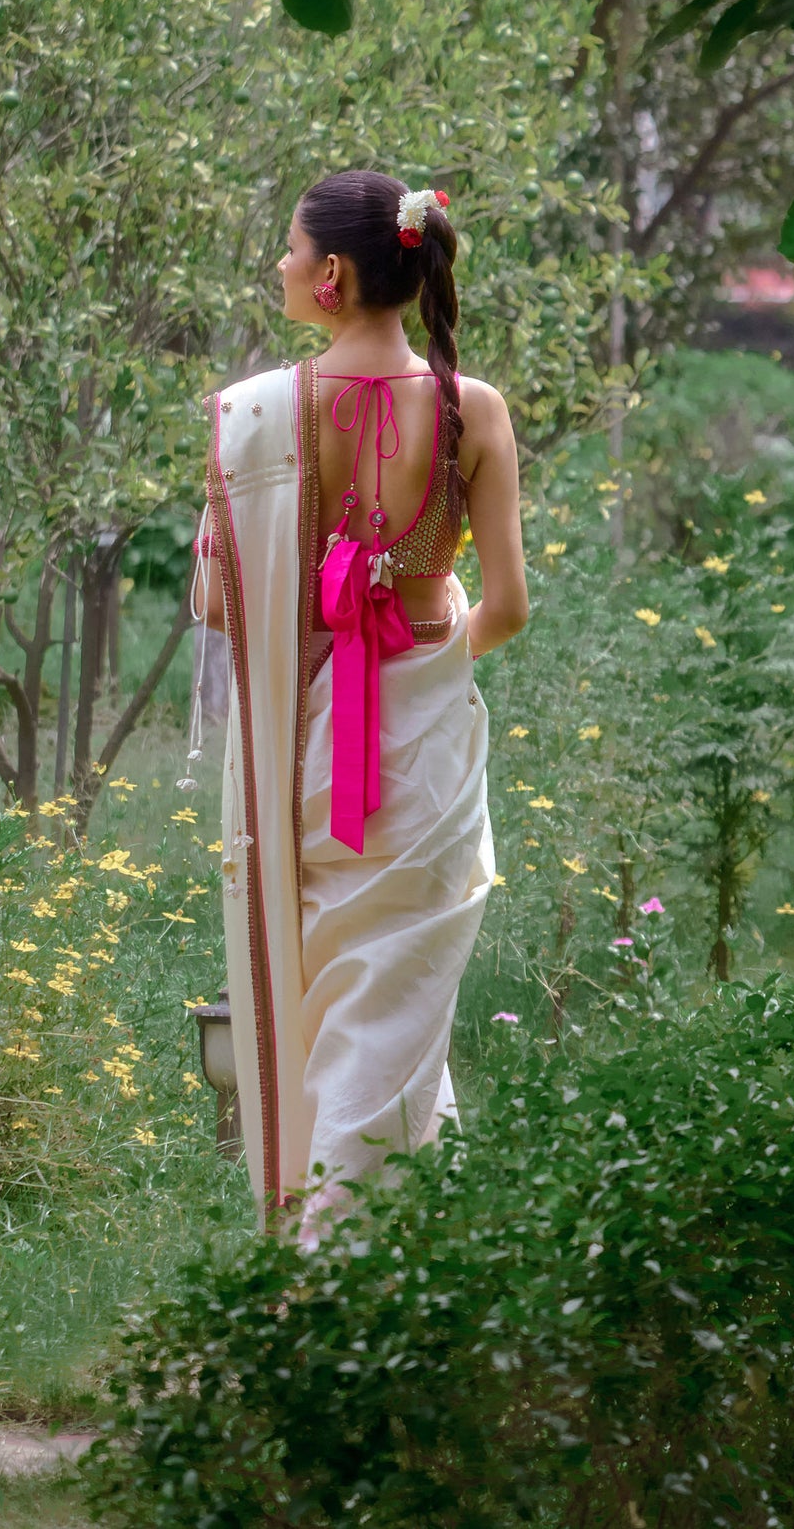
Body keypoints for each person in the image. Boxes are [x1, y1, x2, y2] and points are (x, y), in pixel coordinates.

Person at [184, 171, 529, 1247]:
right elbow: (509, 608)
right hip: (421, 759)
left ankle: (330, 1268)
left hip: (304, 753)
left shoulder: (257, 417)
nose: (279, 266)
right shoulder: (471, 408)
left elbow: (214, 600)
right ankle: (398, 1264)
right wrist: (425, 647)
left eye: (287, 250)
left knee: (332, 1008)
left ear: (331, 275)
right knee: (399, 1009)